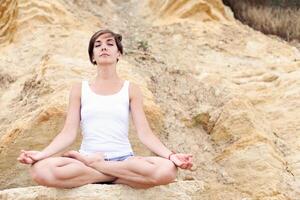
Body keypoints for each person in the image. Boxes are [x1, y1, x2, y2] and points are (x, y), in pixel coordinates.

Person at [17, 29, 193, 189]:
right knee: (39, 170)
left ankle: (100, 169)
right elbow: (68, 133)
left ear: (119, 54)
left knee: (167, 170)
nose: (104, 48)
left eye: (110, 44)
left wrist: (171, 156)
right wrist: (41, 155)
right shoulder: (79, 89)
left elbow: (145, 134)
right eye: (98, 45)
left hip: (124, 160)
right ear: (93, 56)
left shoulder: (131, 89)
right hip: (86, 160)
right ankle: (120, 177)